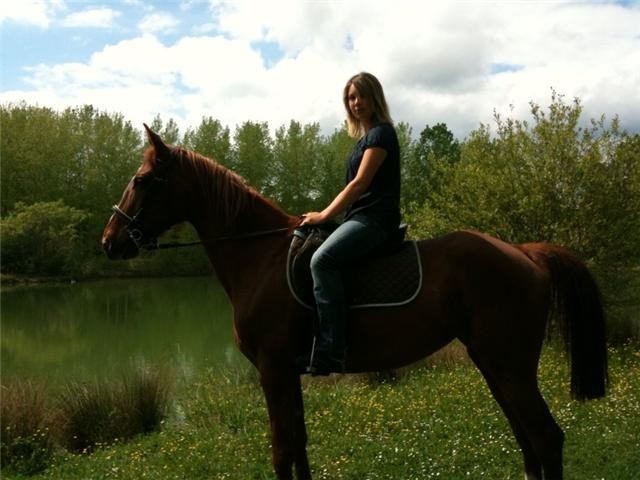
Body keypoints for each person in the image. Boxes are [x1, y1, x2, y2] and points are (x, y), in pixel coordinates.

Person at [299, 72, 401, 375]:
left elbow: (358, 185)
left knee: (322, 261)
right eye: (351, 98)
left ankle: (332, 351)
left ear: (375, 98)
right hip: (359, 218)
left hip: (376, 220)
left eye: (361, 96)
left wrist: (324, 215)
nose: (356, 103)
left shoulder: (382, 134)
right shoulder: (363, 141)